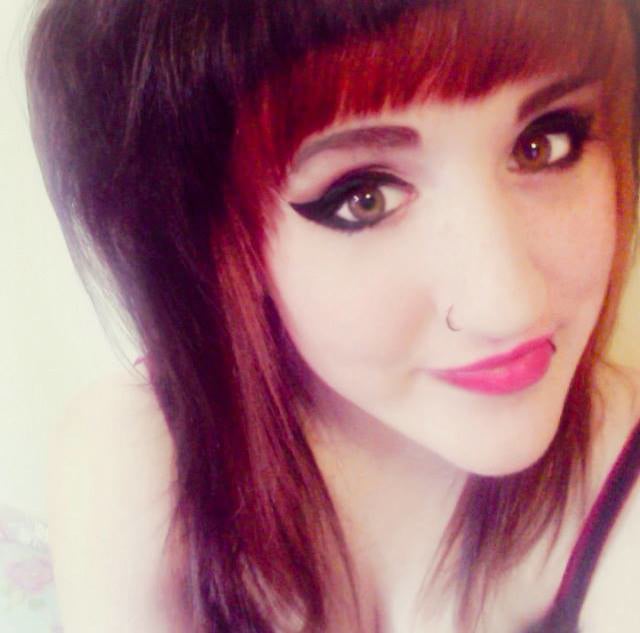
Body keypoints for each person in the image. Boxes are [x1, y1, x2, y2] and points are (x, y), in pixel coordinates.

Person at [26, 0, 640, 631]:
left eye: (543, 144)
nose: (509, 306)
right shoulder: (144, 463)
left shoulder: (621, 463)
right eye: (364, 197)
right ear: (217, 243)